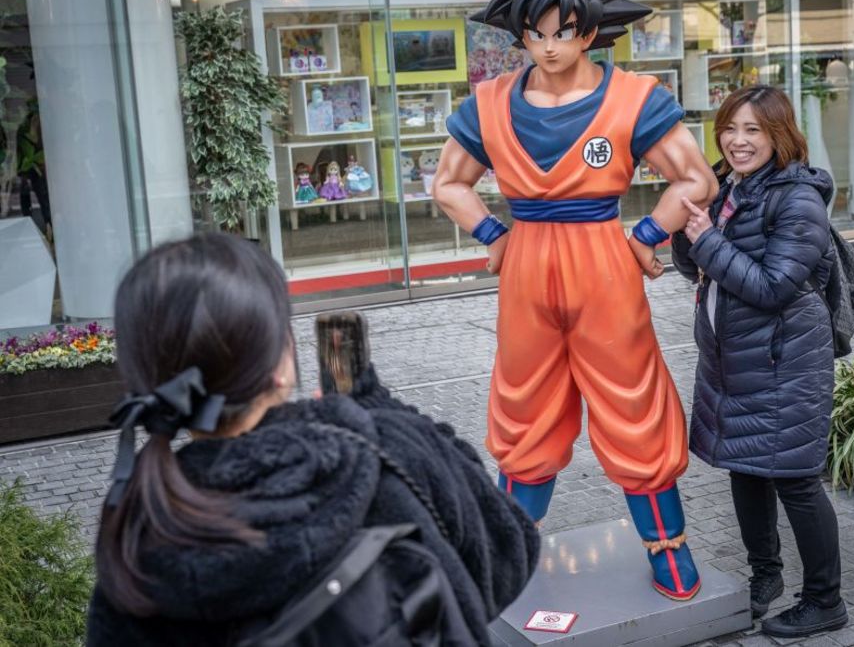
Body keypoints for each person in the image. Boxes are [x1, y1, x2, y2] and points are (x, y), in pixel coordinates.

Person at [431, 0, 717, 601]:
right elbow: (448, 183)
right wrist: (494, 238)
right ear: (519, 33)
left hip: (602, 260)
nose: (549, 45)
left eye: (562, 31)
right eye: (535, 33)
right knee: (524, 411)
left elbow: (695, 178)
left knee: (633, 401)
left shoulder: (633, 98)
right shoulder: (489, 102)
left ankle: (668, 550)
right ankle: (506, 556)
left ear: (589, 30)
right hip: (527, 262)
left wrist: (646, 238)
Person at [85, 233, 539, 645]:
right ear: (281, 365)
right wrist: (377, 408)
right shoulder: (379, 450)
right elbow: (507, 556)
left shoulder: (135, 533)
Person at [670, 85, 848, 638]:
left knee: (795, 479)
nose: (738, 140)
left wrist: (706, 243)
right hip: (735, 359)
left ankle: (825, 600)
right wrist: (685, 226)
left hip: (784, 361)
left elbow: (773, 286)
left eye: (753, 130)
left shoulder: (797, 198)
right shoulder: (728, 187)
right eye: (730, 128)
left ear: (779, 135)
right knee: (745, 468)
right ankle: (764, 576)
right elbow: (697, 267)